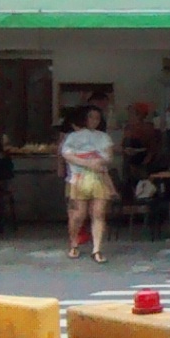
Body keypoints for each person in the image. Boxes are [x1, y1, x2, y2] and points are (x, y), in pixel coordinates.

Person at [61, 105, 117, 263]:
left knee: (98, 214)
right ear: (84, 118)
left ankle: (97, 249)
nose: (94, 120)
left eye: (97, 118)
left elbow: (109, 157)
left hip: (99, 177)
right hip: (78, 178)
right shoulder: (72, 136)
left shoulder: (104, 137)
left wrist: (99, 161)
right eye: (91, 117)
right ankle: (73, 243)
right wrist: (88, 163)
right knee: (78, 215)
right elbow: (66, 155)